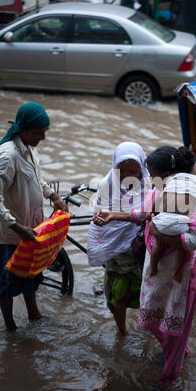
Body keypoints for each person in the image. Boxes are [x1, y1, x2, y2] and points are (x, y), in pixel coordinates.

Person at [93, 146, 196, 389]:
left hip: (180, 277)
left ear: (167, 174)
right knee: (151, 321)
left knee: (175, 330)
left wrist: (163, 236)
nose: (147, 178)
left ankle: (169, 380)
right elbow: (144, 214)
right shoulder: (160, 191)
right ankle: (176, 352)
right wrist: (112, 215)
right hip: (159, 275)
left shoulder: (188, 199)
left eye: (152, 173)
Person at [0, 102, 67, 332]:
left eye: (44, 132)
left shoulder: (30, 147)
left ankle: (34, 313)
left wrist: (52, 195)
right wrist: (17, 227)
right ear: (23, 130)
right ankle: (10, 326)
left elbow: (37, 179)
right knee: (7, 281)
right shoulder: (8, 156)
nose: (42, 138)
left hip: (33, 229)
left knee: (31, 273)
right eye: (38, 133)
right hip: (12, 234)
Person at [87, 142, 150, 337]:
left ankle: (149, 329)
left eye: (134, 170)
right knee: (118, 292)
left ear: (141, 166)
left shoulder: (149, 183)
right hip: (119, 252)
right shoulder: (108, 183)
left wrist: (117, 217)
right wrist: (102, 219)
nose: (129, 175)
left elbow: (149, 213)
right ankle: (122, 331)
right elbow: (100, 212)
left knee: (148, 293)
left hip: (142, 248)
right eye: (123, 171)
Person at [148, 163, 196, 282]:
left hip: (160, 224)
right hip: (178, 227)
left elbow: (155, 206)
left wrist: (152, 214)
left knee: (159, 245)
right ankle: (177, 272)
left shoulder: (170, 184)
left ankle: (153, 268)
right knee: (183, 249)